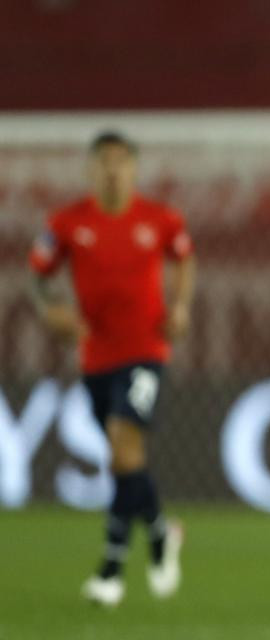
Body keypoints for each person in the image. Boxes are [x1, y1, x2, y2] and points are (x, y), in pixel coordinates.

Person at [28, 130, 193, 608]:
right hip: (95, 356)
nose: (113, 170)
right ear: (91, 168)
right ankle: (161, 532)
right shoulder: (67, 223)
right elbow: (39, 277)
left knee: (123, 451)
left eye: (122, 161)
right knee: (125, 459)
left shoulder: (159, 219)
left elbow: (184, 258)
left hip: (146, 352)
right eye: (105, 161)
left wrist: (179, 306)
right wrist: (51, 311)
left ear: (135, 169)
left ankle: (111, 567)